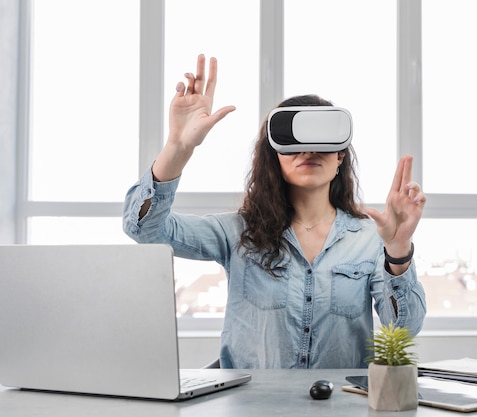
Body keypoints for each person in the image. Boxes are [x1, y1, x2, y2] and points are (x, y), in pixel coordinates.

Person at [123, 54, 427, 369]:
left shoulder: (370, 239)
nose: (308, 150)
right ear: (275, 157)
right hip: (251, 406)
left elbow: (405, 328)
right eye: (295, 141)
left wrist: (398, 250)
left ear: (340, 156)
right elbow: (144, 229)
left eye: (322, 140)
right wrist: (178, 145)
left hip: (341, 406)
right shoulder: (239, 232)